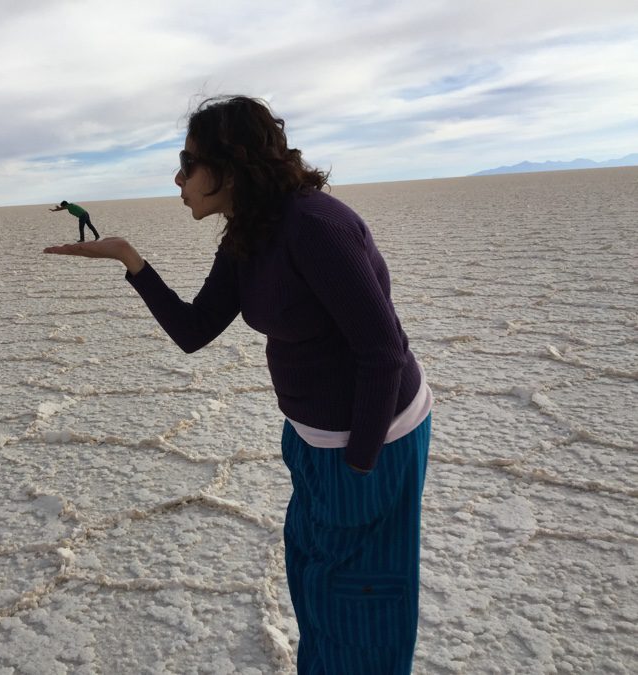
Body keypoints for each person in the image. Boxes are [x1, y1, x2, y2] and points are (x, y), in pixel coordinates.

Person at [44, 95, 433, 674]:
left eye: (188, 162)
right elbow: (195, 329)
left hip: (371, 441)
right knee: (315, 582)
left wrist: (358, 465)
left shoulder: (316, 226)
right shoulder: (250, 232)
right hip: (312, 439)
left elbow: (382, 348)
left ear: (231, 166)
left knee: (360, 604)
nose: (178, 178)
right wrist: (128, 258)